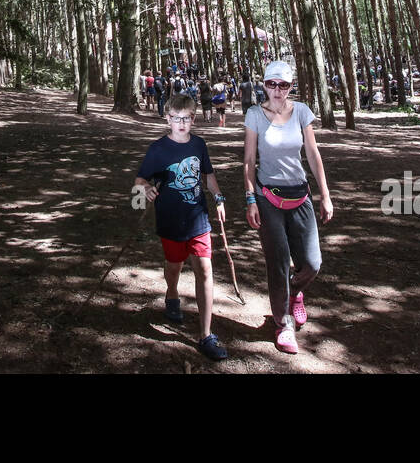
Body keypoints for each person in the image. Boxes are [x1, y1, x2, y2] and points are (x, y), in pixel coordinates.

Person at [243, 61, 333, 355]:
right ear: (264, 85)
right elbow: (248, 160)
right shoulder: (255, 114)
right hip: (268, 198)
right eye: (272, 84)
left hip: (300, 196)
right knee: (278, 263)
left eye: (283, 85)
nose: (277, 90)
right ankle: (284, 325)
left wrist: (325, 194)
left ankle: (295, 293)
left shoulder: (302, 112)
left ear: (291, 86)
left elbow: (312, 152)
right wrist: (250, 198)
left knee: (312, 264)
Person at [134, 94, 228, 360]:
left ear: (193, 119)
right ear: (168, 119)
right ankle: (172, 294)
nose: (181, 123)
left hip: (198, 218)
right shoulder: (158, 149)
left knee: (205, 270)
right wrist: (147, 190)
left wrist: (219, 198)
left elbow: (208, 175)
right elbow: (139, 180)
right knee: (174, 266)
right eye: (176, 118)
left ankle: (205, 335)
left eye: (186, 118)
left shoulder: (199, 144)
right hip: (170, 220)